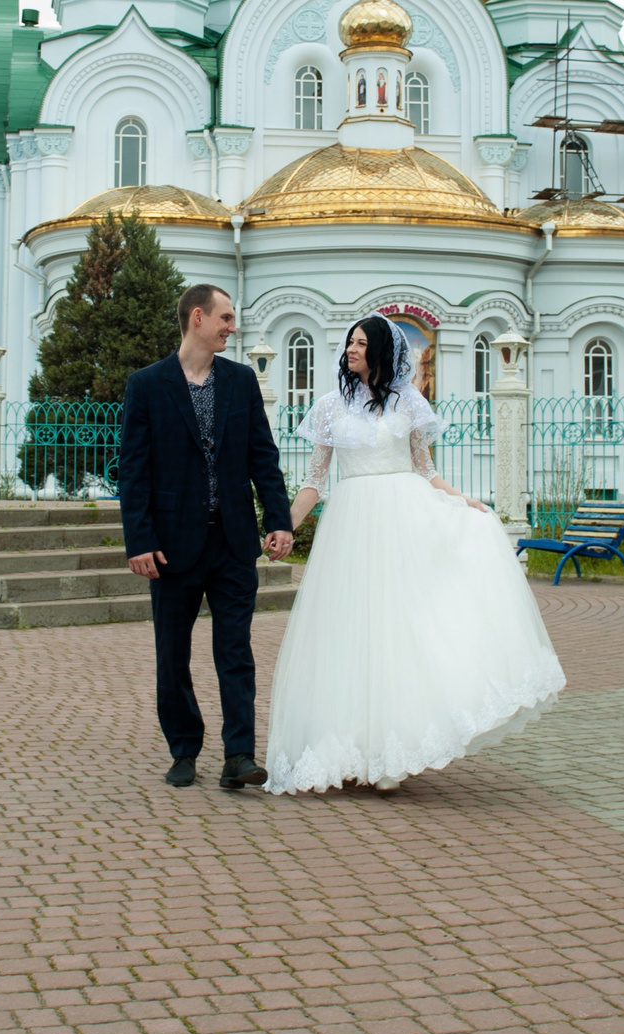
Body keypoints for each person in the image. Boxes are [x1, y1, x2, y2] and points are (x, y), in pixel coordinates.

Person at [265, 315, 565, 794]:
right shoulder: (329, 406)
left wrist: (460, 500)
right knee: (348, 634)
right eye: (349, 343)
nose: (352, 351)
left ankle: (391, 751)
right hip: (351, 527)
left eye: (362, 344)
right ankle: (345, 747)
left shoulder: (408, 403)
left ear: (382, 350)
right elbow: (314, 481)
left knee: (399, 633)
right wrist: (284, 526)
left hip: (403, 524)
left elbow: (426, 470)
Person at [118, 283, 295, 791]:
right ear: (198, 317)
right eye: (226, 317)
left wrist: (277, 521)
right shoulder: (147, 385)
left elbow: (264, 457)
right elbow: (134, 471)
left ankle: (239, 755)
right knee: (172, 653)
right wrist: (139, 541)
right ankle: (184, 750)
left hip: (234, 541)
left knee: (235, 651)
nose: (231, 327)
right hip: (171, 545)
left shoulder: (239, 382)